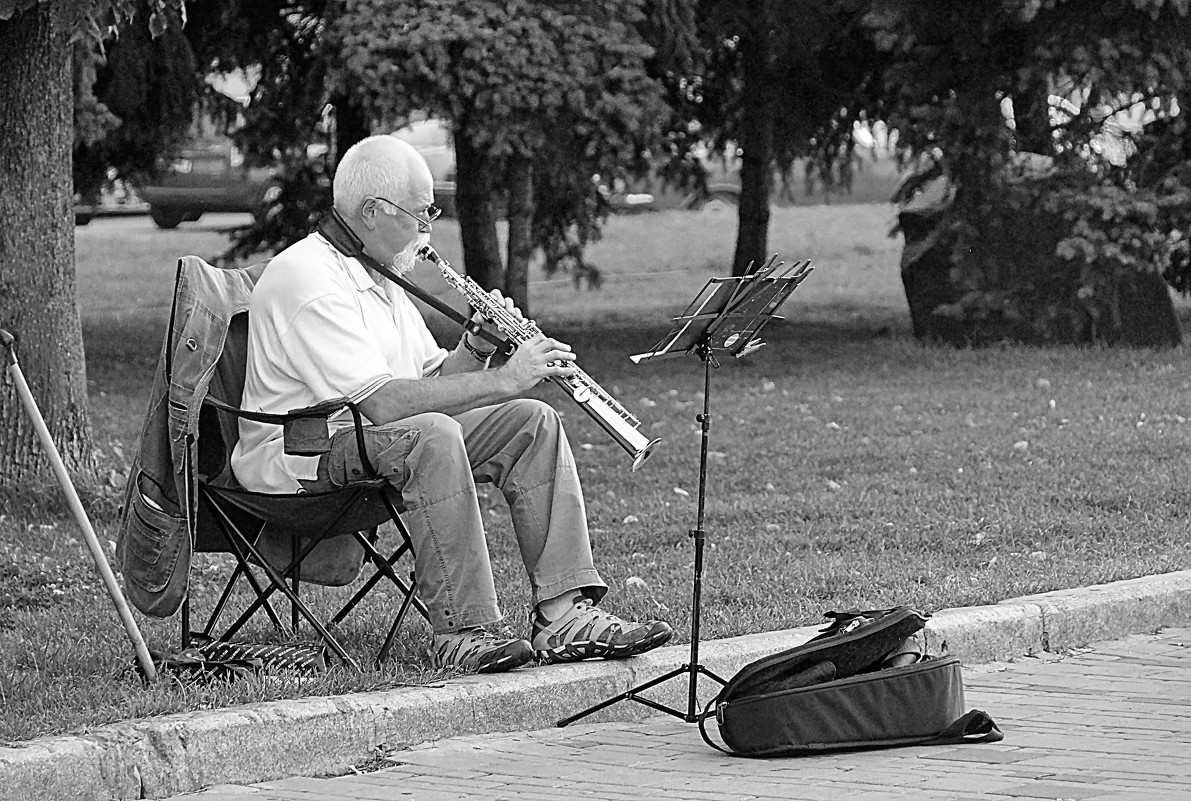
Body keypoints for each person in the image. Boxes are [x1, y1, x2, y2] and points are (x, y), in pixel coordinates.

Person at [230, 134, 673, 673]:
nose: (427, 230)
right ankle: (465, 630)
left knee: (530, 422)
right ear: (372, 211)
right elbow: (390, 405)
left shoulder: (378, 270)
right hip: (303, 455)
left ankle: (563, 615)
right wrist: (507, 378)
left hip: (373, 440)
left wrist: (478, 345)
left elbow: (432, 378)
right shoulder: (311, 278)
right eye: (420, 214)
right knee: (433, 435)